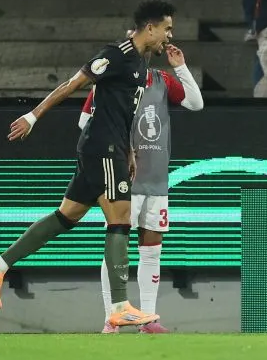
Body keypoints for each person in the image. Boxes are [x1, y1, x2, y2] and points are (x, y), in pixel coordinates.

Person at [0, 0, 177, 328]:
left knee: (65, 216)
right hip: (102, 149)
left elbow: (120, 112)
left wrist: (128, 152)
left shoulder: (140, 65)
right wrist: (33, 115)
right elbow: (73, 84)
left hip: (109, 148)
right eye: (167, 29)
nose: (169, 37)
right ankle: (120, 305)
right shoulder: (117, 54)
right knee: (120, 220)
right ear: (150, 27)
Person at [81, 43, 204, 334]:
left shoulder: (161, 80)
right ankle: (112, 317)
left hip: (157, 178)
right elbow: (84, 121)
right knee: (116, 250)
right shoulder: (110, 82)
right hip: (123, 176)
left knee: (152, 251)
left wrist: (181, 68)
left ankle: (147, 318)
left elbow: (196, 103)